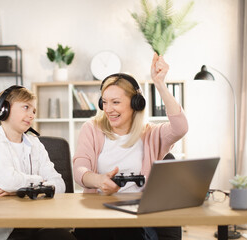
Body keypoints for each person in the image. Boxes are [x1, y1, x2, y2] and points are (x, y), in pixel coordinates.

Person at [72, 53, 188, 240]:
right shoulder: (92, 129)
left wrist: (160, 84)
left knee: (127, 232)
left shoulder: (152, 134)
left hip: (136, 219)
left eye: (116, 102)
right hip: (98, 216)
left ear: (136, 103)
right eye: (105, 102)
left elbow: (181, 127)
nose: (109, 109)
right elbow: (79, 169)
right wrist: (97, 180)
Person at [0, 85, 76, 240]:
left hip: (39, 221)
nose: (31, 115)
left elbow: (60, 184)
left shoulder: (36, 144)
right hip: (7, 228)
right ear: (4, 109)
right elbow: (9, 181)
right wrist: (40, 182)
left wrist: (19, 190)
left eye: (34, 111)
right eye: (26, 107)